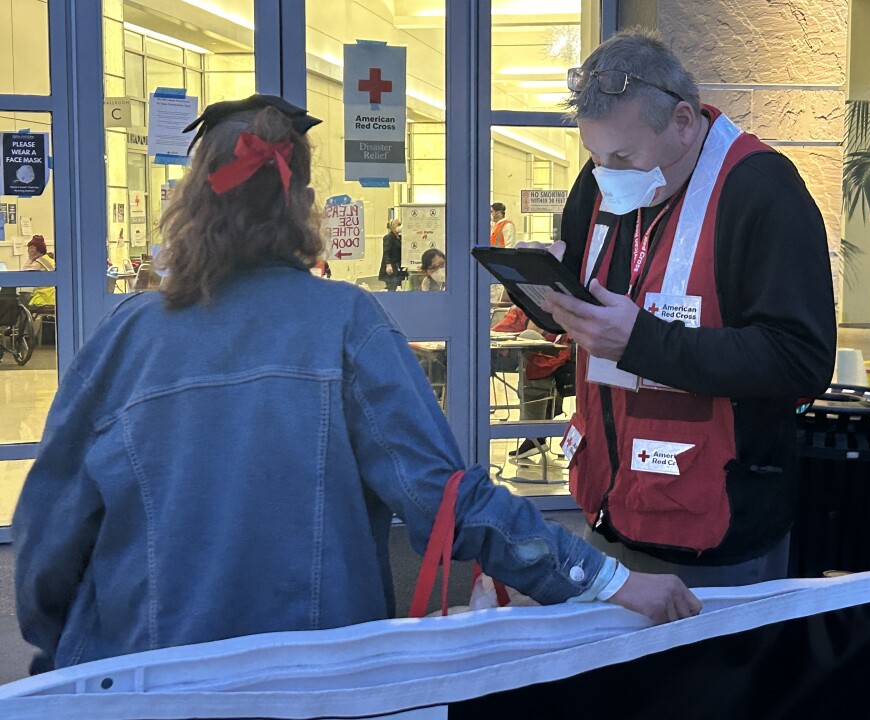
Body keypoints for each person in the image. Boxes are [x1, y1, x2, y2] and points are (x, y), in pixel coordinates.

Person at [13, 93, 699, 675]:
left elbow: (49, 536)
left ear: (189, 201)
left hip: (147, 675)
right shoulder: (345, 323)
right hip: (318, 677)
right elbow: (448, 497)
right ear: (301, 204)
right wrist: (605, 578)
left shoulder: (123, 336)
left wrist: (64, 656)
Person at [536, 29, 836, 587]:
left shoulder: (763, 190)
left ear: (682, 121)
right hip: (610, 507)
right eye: (594, 156)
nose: (606, 175)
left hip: (716, 526)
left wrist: (640, 342)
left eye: (622, 156)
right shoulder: (604, 178)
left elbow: (801, 359)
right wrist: (544, 293)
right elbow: (585, 301)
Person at [491, 306, 574, 460]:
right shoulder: (524, 309)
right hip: (543, 357)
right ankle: (534, 437)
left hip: (554, 359)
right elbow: (499, 332)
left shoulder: (533, 308)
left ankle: (534, 437)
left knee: (529, 344)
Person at [23, 235, 56, 316]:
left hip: (44, 298)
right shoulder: (49, 258)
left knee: (21, 300)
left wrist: (30, 259)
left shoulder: (39, 262)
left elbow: (24, 276)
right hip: (53, 296)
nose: (28, 250)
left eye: (30, 248)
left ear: (35, 249)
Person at [379, 218, 403, 291]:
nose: (400, 226)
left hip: (398, 266)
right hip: (391, 266)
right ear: (392, 226)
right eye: (398, 224)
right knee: (392, 287)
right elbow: (386, 252)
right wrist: (388, 265)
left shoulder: (399, 237)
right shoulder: (388, 237)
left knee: (398, 286)